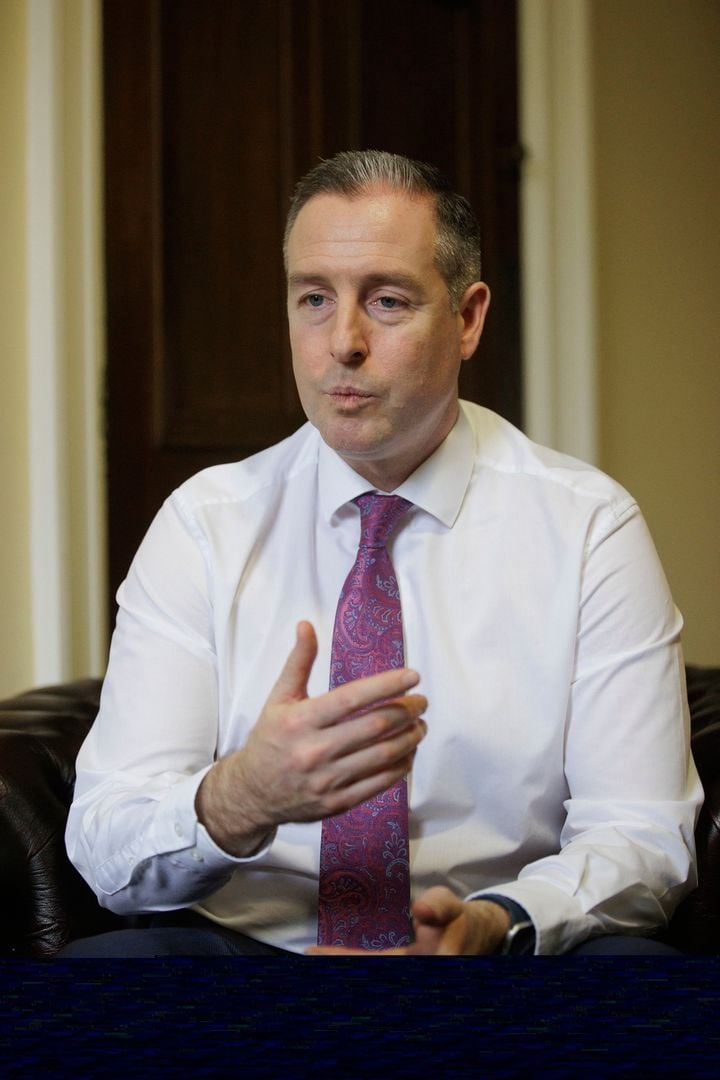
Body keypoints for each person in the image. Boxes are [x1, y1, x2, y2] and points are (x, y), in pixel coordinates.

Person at [63, 150, 701, 957]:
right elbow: (105, 844)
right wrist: (240, 797)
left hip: (492, 949)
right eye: (314, 299)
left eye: (388, 301)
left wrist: (500, 921)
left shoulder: (588, 528)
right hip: (250, 955)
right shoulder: (204, 525)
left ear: (467, 319)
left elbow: (640, 832)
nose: (343, 343)